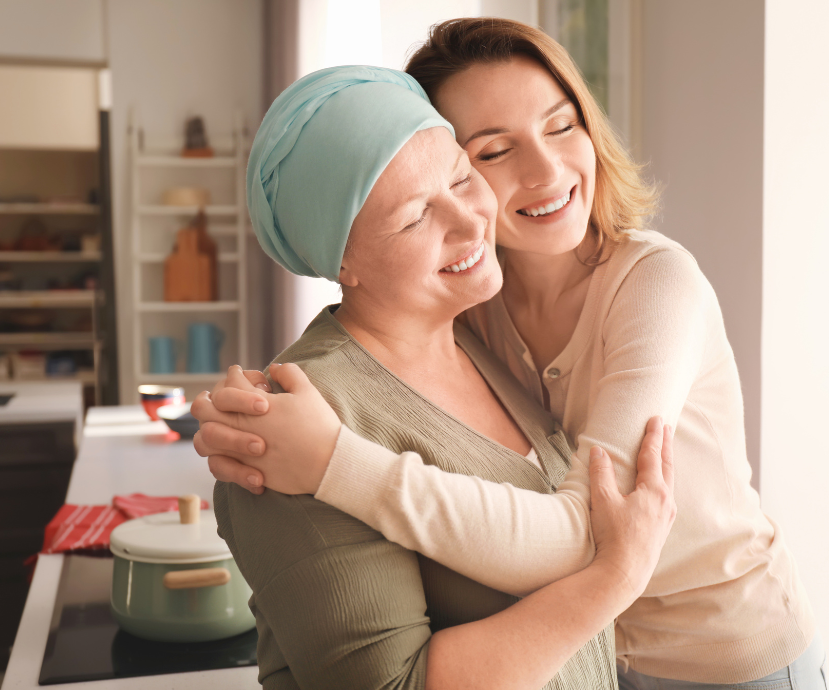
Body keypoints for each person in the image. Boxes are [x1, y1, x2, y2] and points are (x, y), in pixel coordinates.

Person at [197, 18, 827, 690]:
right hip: (615, 653)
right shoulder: (477, 306)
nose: (547, 169)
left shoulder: (652, 283)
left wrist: (334, 463)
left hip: (728, 651)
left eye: (561, 126)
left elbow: (584, 530)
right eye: (492, 154)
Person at [208, 64, 676, 690]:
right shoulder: (293, 427)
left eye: (461, 177)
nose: (469, 221)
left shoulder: (479, 336)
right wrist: (615, 576)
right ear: (339, 259)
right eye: (414, 217)